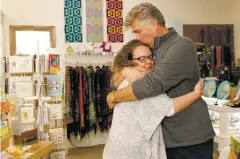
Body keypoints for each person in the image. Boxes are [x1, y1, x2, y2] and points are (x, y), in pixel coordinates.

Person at [106, 3, 215, 159]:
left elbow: (152, 84)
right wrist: (125, 71)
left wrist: (114, 97)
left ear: (153, 24)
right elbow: (118, 81)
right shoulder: (153, 50)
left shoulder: (181, 45)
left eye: (138, 31)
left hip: (189, 140)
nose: (136, 37)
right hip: (164, 141)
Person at [103, 40, 203, 159]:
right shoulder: (143, 81)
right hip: (130, 151)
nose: (149, 62)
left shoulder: (125, 78)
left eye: (150, 57)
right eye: (142, 59)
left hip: (117, 148)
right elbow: (170, 108)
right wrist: (196, 94)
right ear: (128, 61)